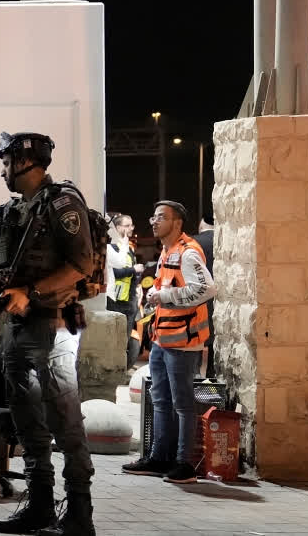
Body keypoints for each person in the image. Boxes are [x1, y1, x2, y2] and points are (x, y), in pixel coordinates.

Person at [0, 133, 96, 536]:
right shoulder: (13, 211)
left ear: (29, 163)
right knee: (28, 424)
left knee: (65, 421)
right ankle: (41, 505)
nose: (5, 171)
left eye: (9, 164)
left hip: (54, 325)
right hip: (17, 329)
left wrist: (29, 291)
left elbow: (82, 263)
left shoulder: (63, 203)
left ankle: (80, 511)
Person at [122, 200, 216, 484]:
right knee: (161, 400)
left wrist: (164, 297)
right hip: (163, 341)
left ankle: (183, 464)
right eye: (153, 216)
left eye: (161, 217)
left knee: (183, 404)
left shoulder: (187, 252)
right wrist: (156, 300)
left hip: (183, 343)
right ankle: (159, 459)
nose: (153, 221)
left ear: (177, 223)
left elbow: (206, 288)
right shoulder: (167, 251)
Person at [106, 214, 143, 369]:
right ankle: (113, 368)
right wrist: (133, 270)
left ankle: (122, 368)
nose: (130, 229)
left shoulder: (128, 247)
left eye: (131, 225)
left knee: (125, 338)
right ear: (117, 227)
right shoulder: (112, 247)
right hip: (116, 301)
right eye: (127, 225)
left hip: (129, 299)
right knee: (114, 339)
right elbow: (113, 272)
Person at [193, 213, 215, 378]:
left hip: (198, 298)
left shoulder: (193, 242)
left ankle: (195, 377)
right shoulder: (224, 240)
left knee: (196, 340)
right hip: (220, 298)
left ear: (202, 225)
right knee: (217, 342)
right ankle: (214, 378)